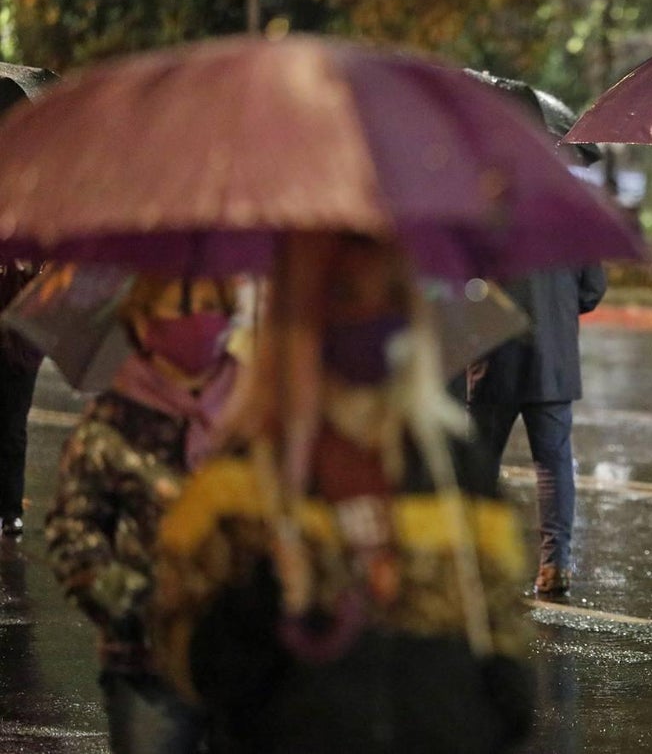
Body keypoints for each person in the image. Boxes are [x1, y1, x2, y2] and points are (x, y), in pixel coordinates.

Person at [150, 233, 534, 753]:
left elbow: (502, 626)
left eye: (395, 295)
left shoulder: (452, 465)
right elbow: (186, 662)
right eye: (347, 293)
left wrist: (496, 707)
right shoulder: (240, 481)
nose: (375, 314)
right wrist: (265, 596)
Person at [45, 273, 239, 753]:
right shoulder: (112, 422)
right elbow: (75, 529)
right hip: (146, 667)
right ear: (142, 322)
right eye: (179, 306)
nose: (197, 319)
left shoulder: (256, 413)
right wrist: (132, 604)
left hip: (242, 660)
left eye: (211, 304)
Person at [467, 264, 607, 598]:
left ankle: (477, 556)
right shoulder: (567, 220)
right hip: (554, 359)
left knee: (479, 465)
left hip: (494, 355)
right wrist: (554, 311)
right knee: (554, 465)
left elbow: (462, 287)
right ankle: (555, 563)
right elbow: (592, 289)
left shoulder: (488, 216)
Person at [0, 259, 45, 535]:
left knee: (13, 431)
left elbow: (48, 308)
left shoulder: (38, 261)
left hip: (19, 357)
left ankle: (10, 509)